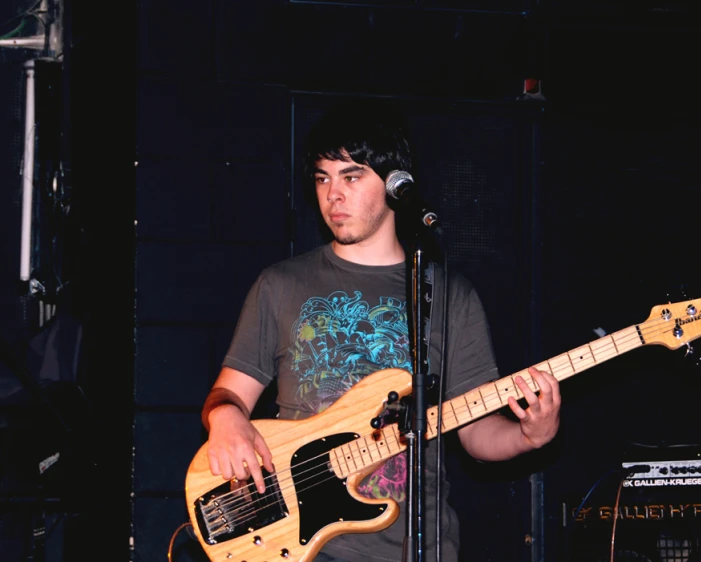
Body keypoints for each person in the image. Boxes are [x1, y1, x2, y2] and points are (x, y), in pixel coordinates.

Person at [200, 100, 561, 562]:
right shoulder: (280, 285)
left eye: (351, 177)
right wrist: (225, 418)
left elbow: (476, 434)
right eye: (322, 177)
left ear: (395, 186)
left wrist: (531, 436)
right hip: (303, 542)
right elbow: (226, 396)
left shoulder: (449, 295)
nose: (333, 195)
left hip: (414, 546)